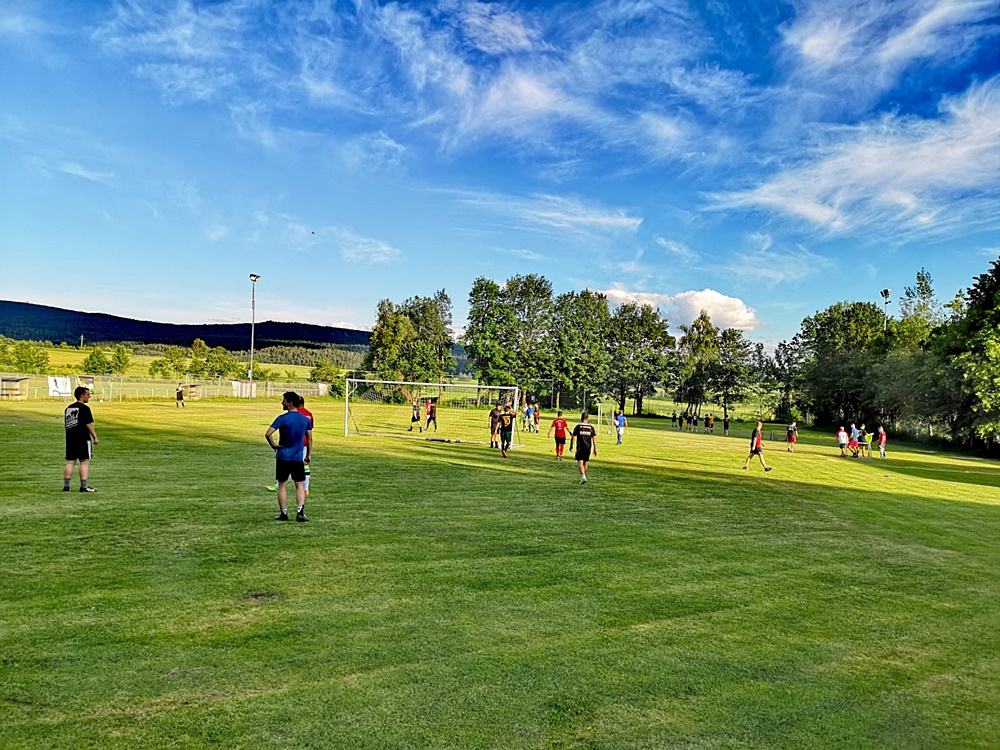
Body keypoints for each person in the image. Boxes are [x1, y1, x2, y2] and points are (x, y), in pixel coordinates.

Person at [265, 391, 313, 522]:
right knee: (300, 485)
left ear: (290, 403)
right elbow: (309, 438)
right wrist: (308, 454)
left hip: (283, 457)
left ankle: (284, 513)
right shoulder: (304, 419)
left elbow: (268, 433)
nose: (282, 403)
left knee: (282, 485)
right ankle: (300, 512)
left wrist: (274, 445)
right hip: (297, 458)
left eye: (284, 401)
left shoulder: (282, 418)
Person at [64, 386, 99, 492]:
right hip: (83, 438)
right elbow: (89, 425)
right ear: (81, 395)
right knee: (84, 462)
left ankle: (66, 486)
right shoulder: (85, 409)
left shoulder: (68, 409)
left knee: (70, 462)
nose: (89, 396)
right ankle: (83, 486)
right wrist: (95, 437)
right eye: (87, 394)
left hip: (70, 439)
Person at [569, 411, 598, 484]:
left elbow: (573, 437)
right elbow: (594, 438)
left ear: (581, 418)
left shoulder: (578, 427)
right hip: (588, 447)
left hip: (580, 447)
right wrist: (595, 448)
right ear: (587, 418)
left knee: (580, 462)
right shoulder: (591, 427)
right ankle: (584, 477)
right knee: (585, 462)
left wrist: (571, 445)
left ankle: (583, 476)